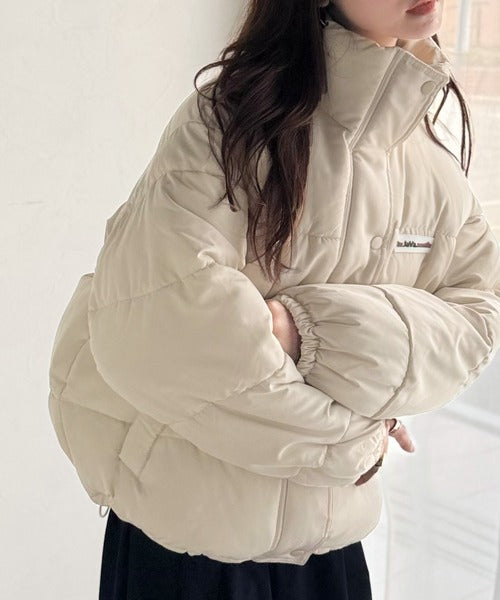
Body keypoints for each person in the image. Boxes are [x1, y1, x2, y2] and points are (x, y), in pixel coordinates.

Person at [47, 0, 500, 598]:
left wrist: (306, 334)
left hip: (332, 551)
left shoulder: (431, 164)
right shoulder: (226, 123)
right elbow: (160, 331)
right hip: (188, 547)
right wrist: (357, 438)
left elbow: (478, 319)